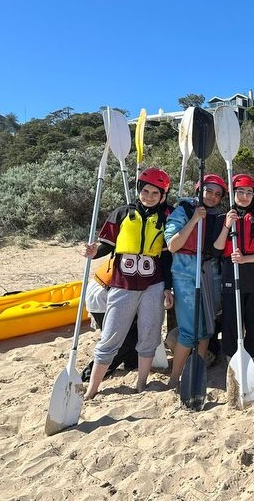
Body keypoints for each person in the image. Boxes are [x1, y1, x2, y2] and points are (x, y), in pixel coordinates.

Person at [81, 167, 174, 399]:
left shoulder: (167, 216)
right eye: (145, 191)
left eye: (155, 193)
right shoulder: (122, 213)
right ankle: (92, 389)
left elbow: (167, 257)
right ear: (138, 191)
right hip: (122, 283)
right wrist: (94, 252)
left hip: (153, 283)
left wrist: (168, 288)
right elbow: (107, 245)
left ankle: (141, 383)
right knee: (111, 334)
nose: (149, 196)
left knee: (150, 333)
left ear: (163, 195)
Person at [164, 174, 227, 388]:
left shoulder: (218, 216)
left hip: (209, 272)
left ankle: (197, 371)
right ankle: (174, 378)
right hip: (185, 273)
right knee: (189, 330)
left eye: (217, 194)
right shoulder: (184, 211)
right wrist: (193, 220)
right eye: (208, 191)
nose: (212, 196)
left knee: (206, 328)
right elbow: (173, 245)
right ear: (199, 189)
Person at [213, 174, 254, 361]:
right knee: (231, 322)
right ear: (233, 193)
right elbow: (217, 249)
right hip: (231, 278)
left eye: (249, 192)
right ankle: (231, 360)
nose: (244, 196)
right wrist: (227, 226)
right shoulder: (223, 218)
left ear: (253, 195)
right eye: (240, 192)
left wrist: (245, 259)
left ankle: (252, 360)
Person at [80, 259, 139, 382]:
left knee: (134, 332)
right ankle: (88, 376)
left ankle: (132, 364)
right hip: (102, 295)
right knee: (122, 342)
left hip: (109, 291)